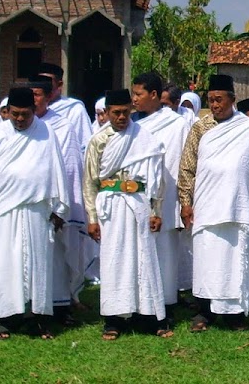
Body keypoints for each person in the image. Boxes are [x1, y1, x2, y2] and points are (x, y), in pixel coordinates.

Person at [0, 86, 71, 339]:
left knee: (39, 265)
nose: (19, 119)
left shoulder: (46, 131)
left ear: (34, 111)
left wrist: (59, 209)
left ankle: (39, 319)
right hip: (5, 209)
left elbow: (57, 169)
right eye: (14, 114)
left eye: (24, 114)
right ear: (7, 111)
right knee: (7, 264)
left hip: (38, 210)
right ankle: (6, 319)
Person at [177, 74, 249, 332]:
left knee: (234, 262)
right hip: (206, 208)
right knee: (206, 261)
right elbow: (187, 167)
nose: (215, 105)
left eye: (219, 99)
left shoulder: (248, 129)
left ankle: (234, 315)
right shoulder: (200, 128)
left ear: (233, 99)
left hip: (237, 210)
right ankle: (204, 312)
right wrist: (185, 202)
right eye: (211, 100)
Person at [83, 89, 168, 340]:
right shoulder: (99, 140)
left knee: (143, 259)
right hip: (111, 207)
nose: (121, 117)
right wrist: (92, 218)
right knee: (114, 261)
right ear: (107, 112)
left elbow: (156, 176)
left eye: (125, 112)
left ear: (131, 110)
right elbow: (90, 182)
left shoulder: (144, 137)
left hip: (139, 203)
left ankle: (147, 316)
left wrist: (156, 210)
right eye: (116, 113)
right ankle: (114, 319)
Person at [131, 72, 192, 315]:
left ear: (154, 94)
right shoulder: (133, 124)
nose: (134, 99)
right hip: (137, 197)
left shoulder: (177, 124)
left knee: (165, 252)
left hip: (167, 198)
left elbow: (184, 162)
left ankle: (166, 302)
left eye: (139, 94)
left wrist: (184, 200)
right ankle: (140, 303)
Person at [30, 76, 87, 324]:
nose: (33, 100)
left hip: (54, 203)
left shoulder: (61, 126)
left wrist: (63, 206)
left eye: (37, 95)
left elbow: (71, 167)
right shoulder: (14, 124)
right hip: (27, 203)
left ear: (48, 97)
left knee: (57, 257)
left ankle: (61, 307)